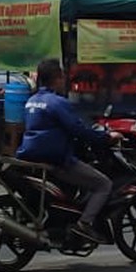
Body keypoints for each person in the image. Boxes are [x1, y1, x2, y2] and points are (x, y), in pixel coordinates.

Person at [17, 57, 113, 243]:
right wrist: (105, 137)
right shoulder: (57, 102)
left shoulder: (31, 101)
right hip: (56, 159)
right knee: (104, 184)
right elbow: (78, 129)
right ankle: (84, 224)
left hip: (30, 156)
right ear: (57, 78)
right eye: (62, 77)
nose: (64, 81)